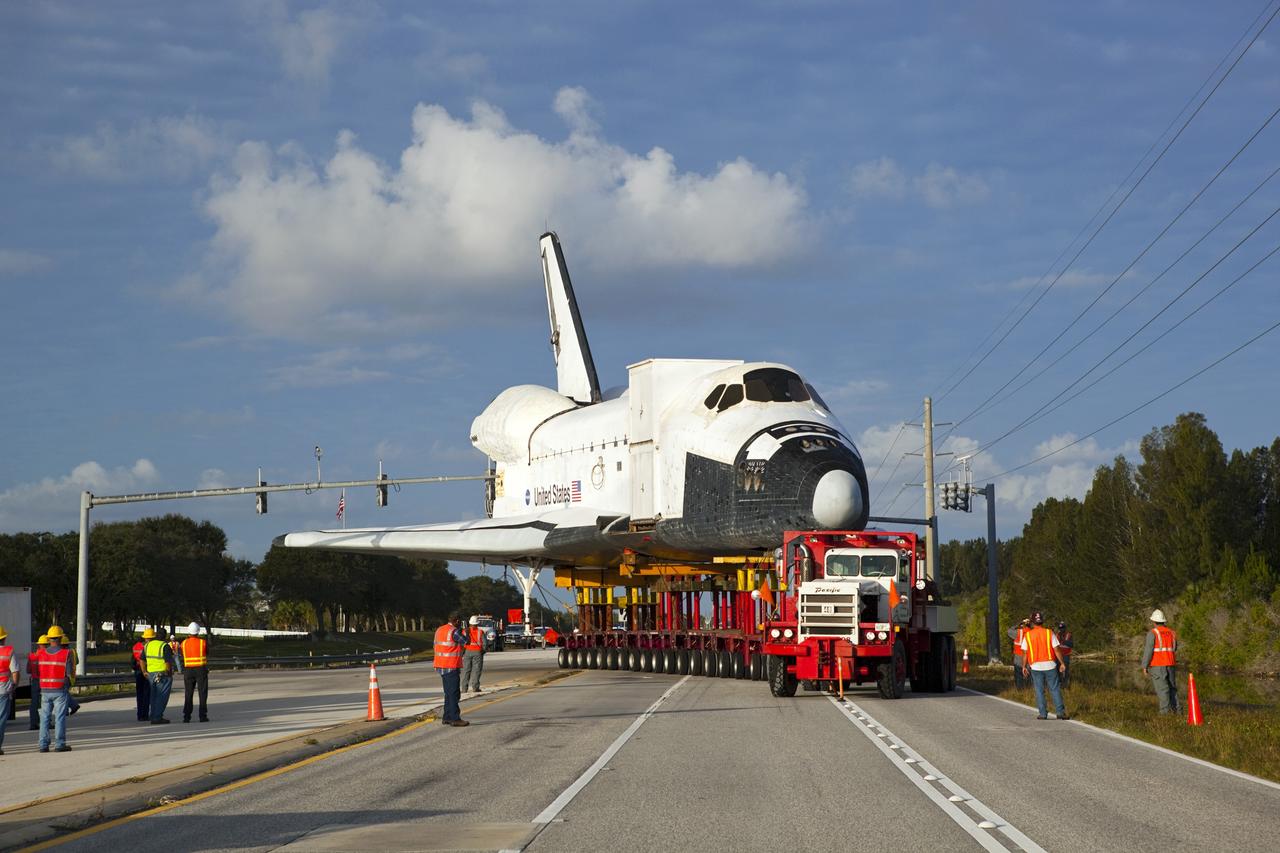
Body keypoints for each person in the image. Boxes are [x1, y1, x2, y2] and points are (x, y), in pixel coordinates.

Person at [1020, 611, 1069, 720]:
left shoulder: (1027, 635)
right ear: (1042, 621)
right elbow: (1057, 650)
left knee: (1039, 690)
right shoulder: (1049, 633)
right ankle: (1060, 712)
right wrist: (1062, 663)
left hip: (1035, 666)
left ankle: (1043, 714)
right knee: (1055, 689)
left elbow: (1025, 653)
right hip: (1050, 665)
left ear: (1032, 622)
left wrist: (1023, 666)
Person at [35, 625, 74, 752]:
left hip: (45, 689)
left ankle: (43, 745)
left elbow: (37, 671)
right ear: (60, 638)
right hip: (59, 690)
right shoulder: (66, 653)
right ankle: (59, 744)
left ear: (49, 639)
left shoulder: (41, 654)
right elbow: (69, 674)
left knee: (44, 718)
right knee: (59, 717)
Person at [433, 613, 468, 727]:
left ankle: (447, 717)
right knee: (454, 693)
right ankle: (455, 718)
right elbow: (466, 641)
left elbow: (435, 645)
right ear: (457, 621)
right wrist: (465, 631)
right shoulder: (454, 631)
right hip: (451, 665)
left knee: (448, 693)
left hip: (440, 665)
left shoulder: (439, 630)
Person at [1142, 609, 1179, 715]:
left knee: (1162, 690)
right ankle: (1177, 712)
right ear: (1164, 621)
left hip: (1158, 666)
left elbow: (1148, 651)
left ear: (1154, 621)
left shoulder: (1152, 633)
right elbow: (1174, 648)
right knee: (1172, 689)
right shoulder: (1172, 633)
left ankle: (1164, 715)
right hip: (1171, 664)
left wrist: (1145, 666)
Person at [142, 627, 176, 724]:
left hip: (151, 675)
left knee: (153, 696)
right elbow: (168, 661)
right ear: (165, 636)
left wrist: (144, 671)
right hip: (163, 675)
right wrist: (169, 672)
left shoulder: (147, 646)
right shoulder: (165, 646)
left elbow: (141, 660)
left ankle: (153, 715)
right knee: (162, 696)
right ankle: (157, 717)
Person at [180, 622, 210, 723]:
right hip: (200, 670)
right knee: (202, 693)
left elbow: (181, 654)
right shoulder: (203, 642)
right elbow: (207, 652)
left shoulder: (183, 643)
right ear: (198, 632)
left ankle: (186, 716)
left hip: (188, 670)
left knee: (188, 693)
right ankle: (202, 716)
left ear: (188, 632)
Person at [0, 625, 18, 755]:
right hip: (3, 689)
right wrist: (14, 685)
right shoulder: (9, 651)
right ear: (4, 638)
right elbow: (15, 672)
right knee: (1, 718)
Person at [132, 628, 154, 722]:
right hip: (146, 671)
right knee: (147, 694)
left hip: (138, 671)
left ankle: (139, 715)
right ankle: (145, 715)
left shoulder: (136, 646)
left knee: (139, 694)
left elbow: (132, 660)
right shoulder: (150, 647)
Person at [461, 615, 485, 695]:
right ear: (477, 624)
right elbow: (485, 643)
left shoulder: (464, 631)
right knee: (476, 670)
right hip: (477, 652)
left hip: (467, 652)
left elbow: (461, 642)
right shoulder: (480, 632)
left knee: (466, 670)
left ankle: (464, 688)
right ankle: (475, 687)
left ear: (470, 623)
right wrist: (483, 651)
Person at [28, 634, 46, 731]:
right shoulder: (47, 655)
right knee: (46, 703)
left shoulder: (32, 656)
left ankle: (33, 723)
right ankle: (46, 723)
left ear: (39, 645)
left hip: (34, 681)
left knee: (34, 703)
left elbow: (28, 670)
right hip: (44, 681)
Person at [1007, 617, 1031, 688]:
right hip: (1029, 656)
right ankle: (1029, 688)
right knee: (1029, 673)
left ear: (1022, 624)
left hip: (1018, 656)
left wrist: (1017, 624)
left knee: (1018, 674)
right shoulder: (1032, 632)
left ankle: (1020, 689)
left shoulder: (1018, 632)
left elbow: (1009, 631)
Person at [1055, 621, 1074, 687]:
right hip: (1058, 655)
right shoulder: (1057, 635)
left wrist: (1064, 641)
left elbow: (1071, 645)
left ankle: (1065, 684)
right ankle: (1059, 683)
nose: (1061, 629)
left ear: (1065, 628)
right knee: (1057, 669)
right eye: (1060, 628)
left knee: (1065, 670)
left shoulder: (1069, 635)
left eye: (1062, 628)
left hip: (1066, 655)